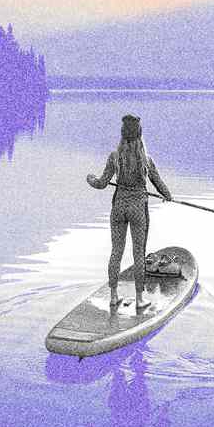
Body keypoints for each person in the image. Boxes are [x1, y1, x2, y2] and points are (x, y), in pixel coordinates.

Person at [86, 113, 173, 312]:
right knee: (138, 254)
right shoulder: (146, 159)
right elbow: (158, 183)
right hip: (137, 209)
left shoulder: (114, 157)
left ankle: (113, 296)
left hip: (118, 208)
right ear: (140, 135)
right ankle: (140, 299)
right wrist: (168, 195)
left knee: (116, 252)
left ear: (122, 134)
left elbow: (101, 184)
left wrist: (90, 178)